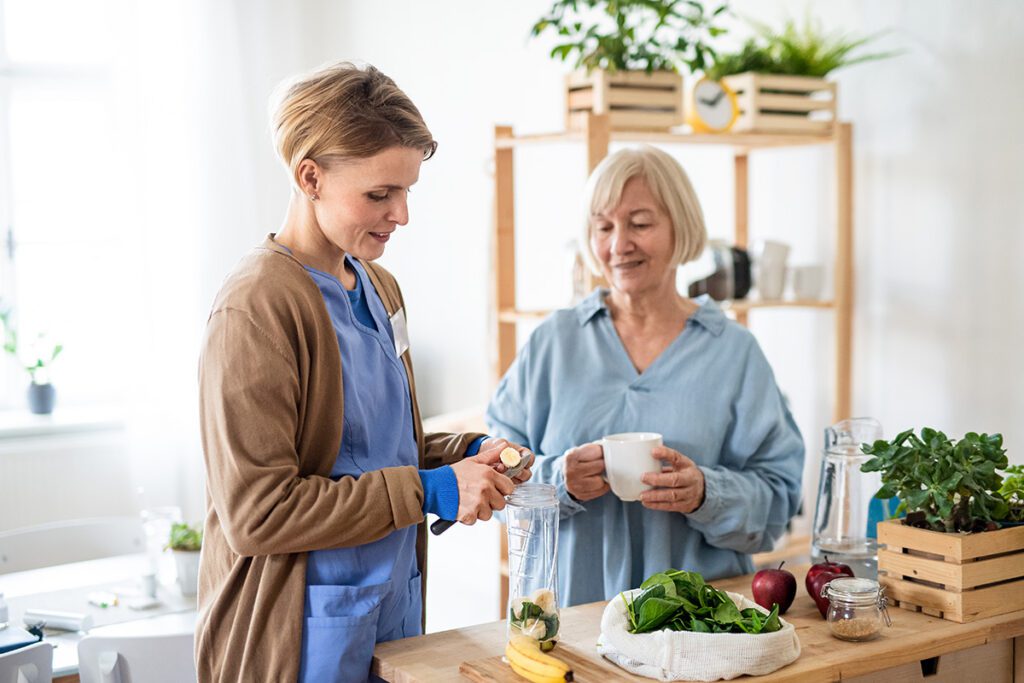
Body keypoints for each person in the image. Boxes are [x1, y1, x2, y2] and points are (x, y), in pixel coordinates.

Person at [196, 62, 533, 683]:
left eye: (407, 191)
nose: (400, 214)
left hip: (391, 605)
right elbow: (258, 514)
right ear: (310, 177)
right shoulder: (257, 306)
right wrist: (429, 490)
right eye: (379, 194)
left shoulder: (380, 287)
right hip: (301, 628)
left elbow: (372, 450)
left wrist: (469, 453)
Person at [486, 145, 804, 607]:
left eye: (640, 223)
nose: (618, 245)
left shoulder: (733, 352)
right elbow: (495, 471)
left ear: (681, 227)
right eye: (604, 226)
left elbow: (780, 498)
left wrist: (706, 494)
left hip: (698, 623)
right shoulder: (554, 342)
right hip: (570, 617)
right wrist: (559, 481)